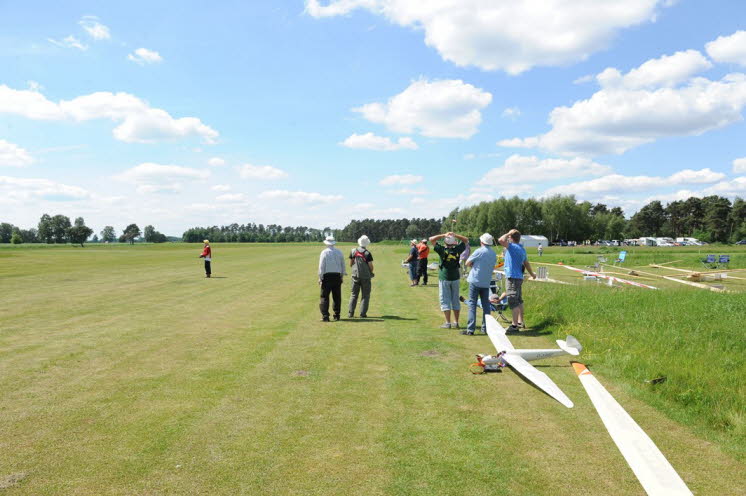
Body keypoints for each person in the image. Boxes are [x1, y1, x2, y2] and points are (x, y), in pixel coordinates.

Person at [497, 229, 536, 332]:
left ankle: (514, 326)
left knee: (513, 301)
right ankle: (520, 322)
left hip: (512, 278)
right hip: (519, 277)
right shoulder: (522, 249)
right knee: (519, 301)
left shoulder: (512, 247)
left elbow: (500, 240)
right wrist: (532, 274)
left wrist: (508, 233)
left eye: (509, 237)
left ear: (511, 238)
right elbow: (526, 263)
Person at [429, 231, 468, 329]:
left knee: (445, 300)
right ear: (454, 242)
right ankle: (456, 322)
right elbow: (466, 240)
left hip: (444, 278)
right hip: (455, 277)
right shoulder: (458, 249)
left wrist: (443, 235)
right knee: (455, 300)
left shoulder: (441, 249)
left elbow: (431, 239)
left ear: (445, 243)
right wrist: (455, 235)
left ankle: (447, 323)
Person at [464, 233, 497, 335]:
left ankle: (470, 329)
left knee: (472, 305)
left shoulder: (479, 251)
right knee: (486, 305)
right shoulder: (493, 253)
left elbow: (467, 263)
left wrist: (473, 265)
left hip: (475, 280)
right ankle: (486, 328)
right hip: (486, 281)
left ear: (482, 241)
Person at [318, 235, 346, 322]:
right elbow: (343, 265)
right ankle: (337, 315)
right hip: (337, 276)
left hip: (327, 277)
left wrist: (320, 277)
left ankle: (325, 316)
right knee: (337, 297)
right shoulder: (339, 252)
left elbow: (321, 266)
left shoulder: (324, 253)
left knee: (324, 297)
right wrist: (342, 275)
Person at [348, 235, 374, 318]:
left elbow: (351, 264)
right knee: (365, 295)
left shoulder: (353, 251)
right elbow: (371, 266)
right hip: (365, 277)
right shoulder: (367, 253)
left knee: (353, 295)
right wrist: (370, 272)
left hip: (355, 276)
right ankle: (363, 314)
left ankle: (350, 313)